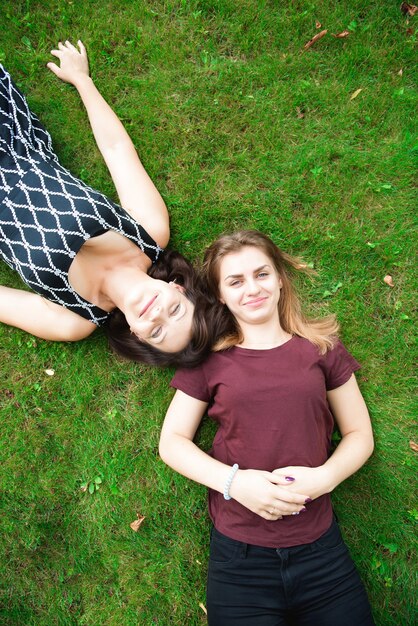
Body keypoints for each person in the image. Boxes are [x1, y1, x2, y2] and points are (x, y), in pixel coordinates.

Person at [159, 230, 375, 625]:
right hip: (239, 558)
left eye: (261, 274)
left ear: (279, 278)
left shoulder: (322, 348)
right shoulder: (211, 360)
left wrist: (326, 477)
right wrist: (234, 483)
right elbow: (172, 442)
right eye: (235, 281)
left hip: (321, 551)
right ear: (220, 294)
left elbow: (360, 433)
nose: (252, 289)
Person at [0, 40, 210, 367]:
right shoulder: (150, 231)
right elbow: (116, 150)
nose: (157, 314)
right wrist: (82, 80)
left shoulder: (72, 320)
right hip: (12, 142)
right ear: (179, 288)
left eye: (157, 332)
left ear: (137, 335)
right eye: (175, 311)